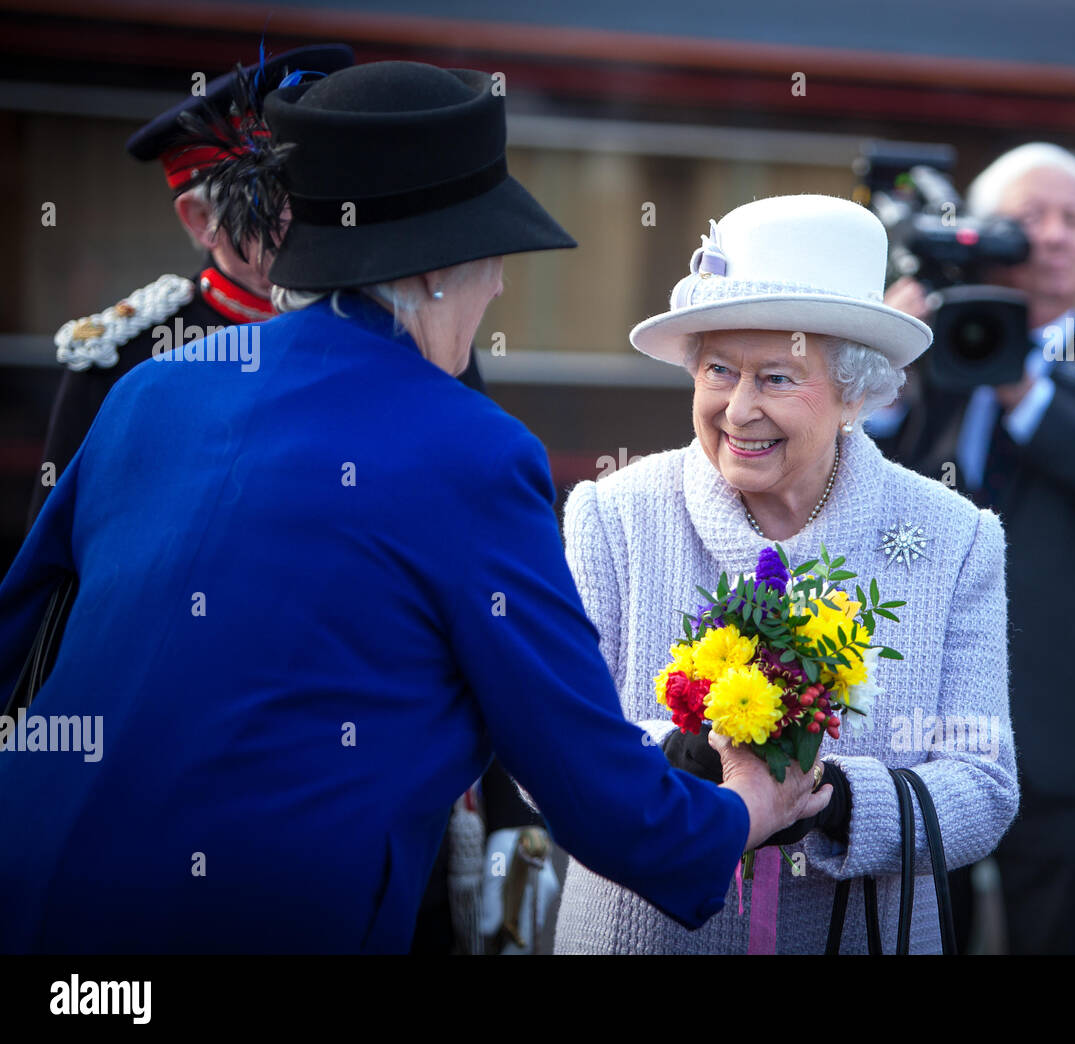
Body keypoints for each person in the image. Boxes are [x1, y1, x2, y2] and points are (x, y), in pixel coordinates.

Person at [0, 60, 829, 954]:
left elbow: (25, 641)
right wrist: (742, 809)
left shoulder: (153, 387)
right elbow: (589, 780)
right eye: (495, 257)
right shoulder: (472, 450)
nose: (503, 287)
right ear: (438, 271)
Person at [552, 194, 1018, 954]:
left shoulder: (955, 537)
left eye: (775, 377)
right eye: (717, 371)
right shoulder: (615, 516)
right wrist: (695, 761)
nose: (738, 410)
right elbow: (556, 751)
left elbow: (983, 785)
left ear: (853, 393)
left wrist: (828, 798)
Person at [875, 143, 1075, 954]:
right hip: (919, 718)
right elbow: (853, 484)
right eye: (1025, 218)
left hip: (1072, 728)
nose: (1050, 235)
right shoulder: (924, 354)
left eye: (1073, 220)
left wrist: (1024, 389)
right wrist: (874, 361)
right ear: (979, 234)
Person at [27, 44, 358, 528]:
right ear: (201, 218)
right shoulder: (122, 361)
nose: (304, 216)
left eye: (318, 190)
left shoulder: (393, 322)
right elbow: (57, 561)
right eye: (269, 199)